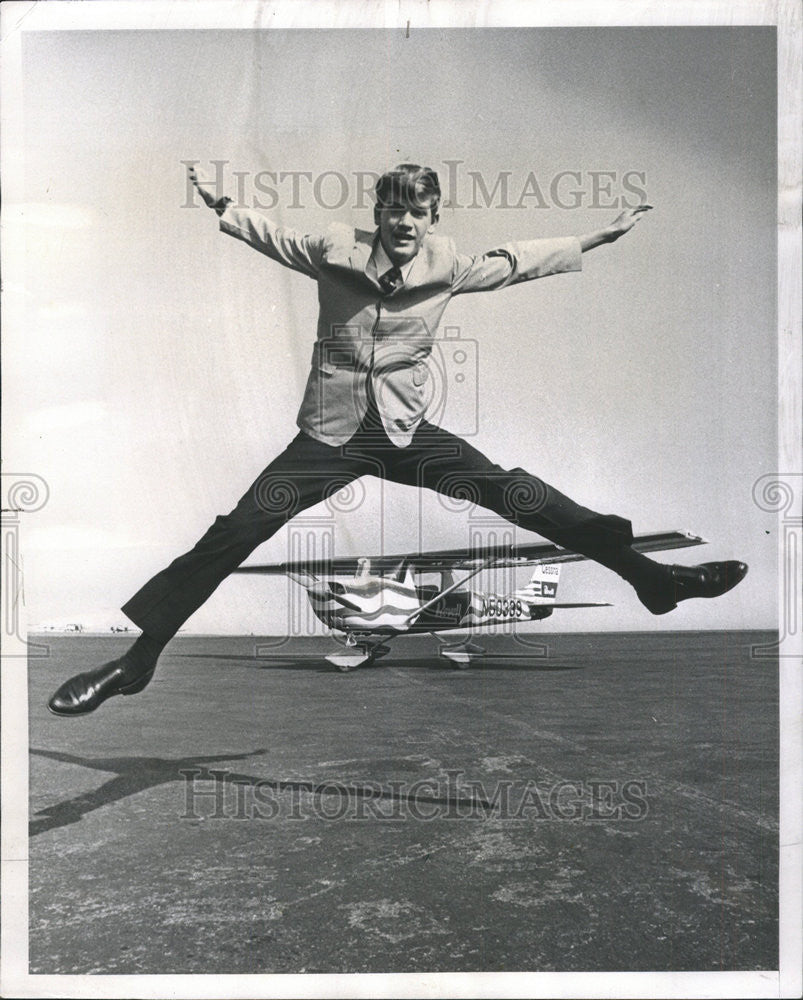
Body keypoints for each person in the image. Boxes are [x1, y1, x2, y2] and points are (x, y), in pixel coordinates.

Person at [48, 163, 747, 716]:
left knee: (512, 491)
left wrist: (595, 237)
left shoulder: (445, 268)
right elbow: (274, 239)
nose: (405, 221)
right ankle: (135, 661)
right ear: (376, 214)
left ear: (431, 218)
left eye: (417, 211)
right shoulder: (332, 252)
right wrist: (221, 207)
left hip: (405, 433)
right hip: (327, 435)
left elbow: (512, 261)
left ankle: (650, 578)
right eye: (393, 209)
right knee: (237, 532)